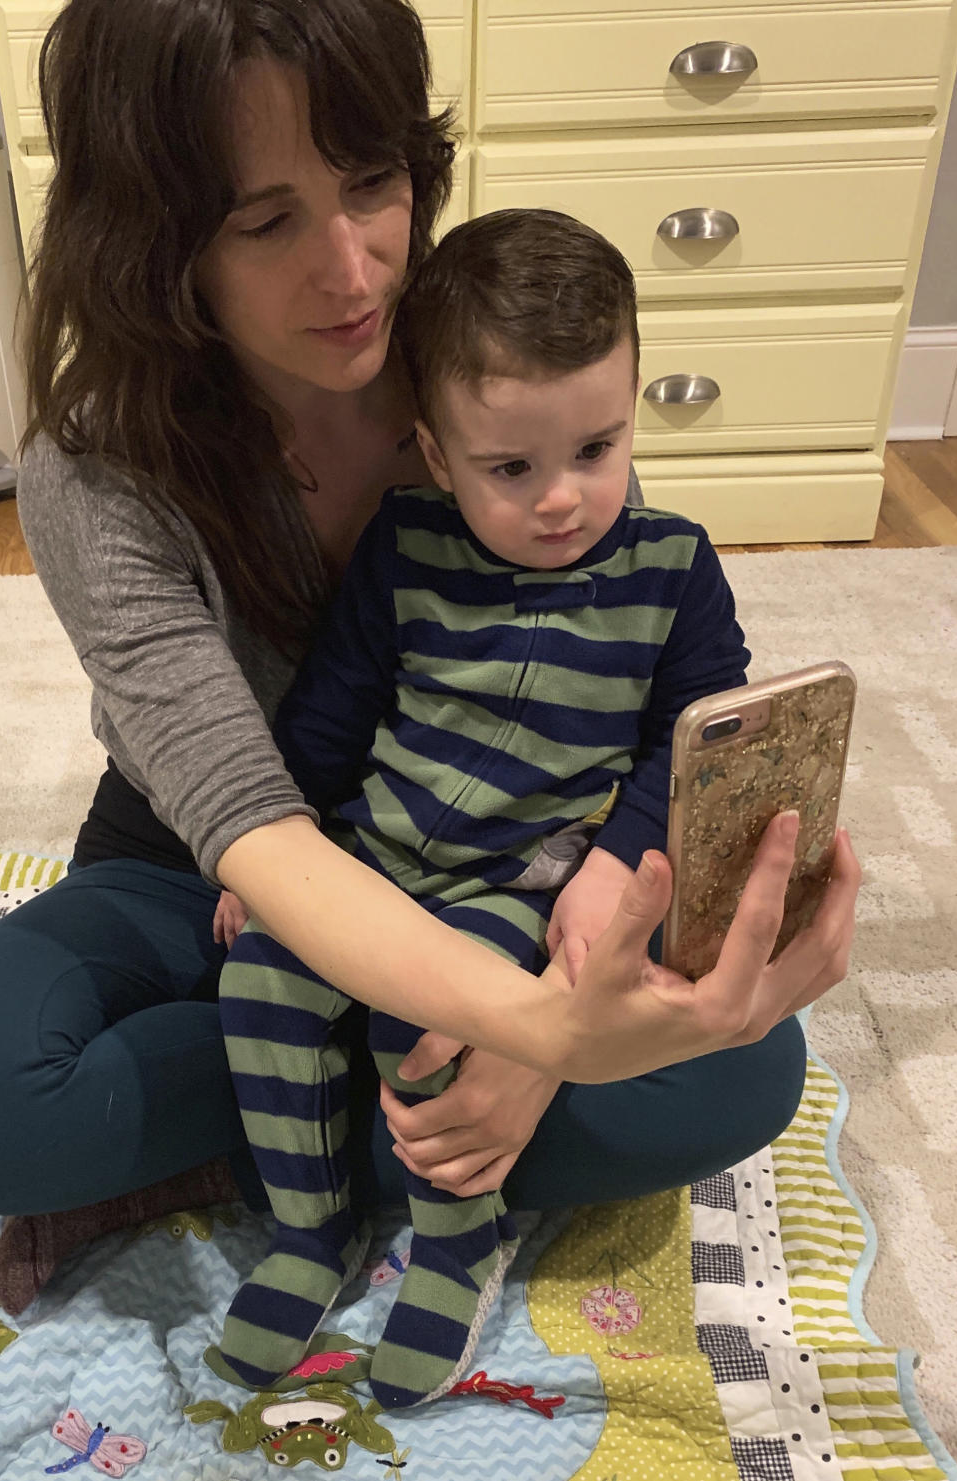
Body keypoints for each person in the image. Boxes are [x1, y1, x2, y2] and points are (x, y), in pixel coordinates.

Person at [0, 0, 860, 1327]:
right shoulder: (96, 464)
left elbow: (651, 673)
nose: (353, 271)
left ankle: (298, 1121)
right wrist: (540, 1035)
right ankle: (371, 1107)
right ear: (160, 241)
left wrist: (536, 1005)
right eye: (264, 218)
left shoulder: (497, 371)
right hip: (220, 865)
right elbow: (256, 827)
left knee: (744, 1068)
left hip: (506, 869)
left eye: (371, 184)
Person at [204, 205, 769, 1406]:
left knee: (441, 1030)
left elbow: (705, 746)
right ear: (434, 451)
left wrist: (620, 860)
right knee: (259, 983)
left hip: (519, 887)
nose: (563, 498)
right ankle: (314, 1231)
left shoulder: (671, 567)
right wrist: (267, 859)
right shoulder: (405, 544)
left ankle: (458, 1246)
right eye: (511, 468)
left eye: (598, 449)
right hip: (367, 863)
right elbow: (327, 714)